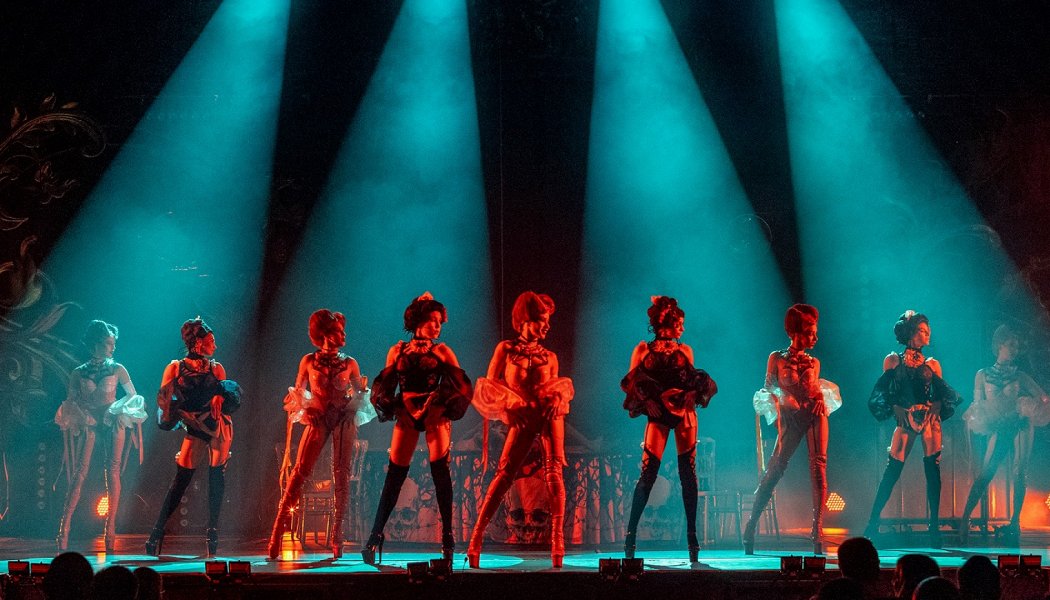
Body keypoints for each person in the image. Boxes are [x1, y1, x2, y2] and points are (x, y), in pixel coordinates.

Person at [361, 293, 472, 564]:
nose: (437, 326)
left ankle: (447, 537)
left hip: (434, 414)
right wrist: (395, 405)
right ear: (419, 321)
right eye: (433, 320)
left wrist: (441, 405)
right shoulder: (398, 350)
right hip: (408, 414)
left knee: (440, 474)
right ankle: (375, 536)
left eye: (440, 322)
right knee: (394, 476)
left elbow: (462, 386)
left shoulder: (442, 351)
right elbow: (385, 386)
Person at [468, 291, 574, 568]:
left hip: (548, 414)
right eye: (542, 320)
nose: (547, 326)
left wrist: (557, 398)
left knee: (554, 473)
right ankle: (476, 538)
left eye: (548, 320)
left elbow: (557, 386)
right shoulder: (505, 349)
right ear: (526, 320)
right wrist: (508, 409)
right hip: (523, 416)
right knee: (504, 474)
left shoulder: (550, 356)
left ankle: (558, 542)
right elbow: (489, 386)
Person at [268, 309, 374, 559]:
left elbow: (360, 393)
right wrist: (308, 408)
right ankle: (277, 531)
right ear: (326, 334)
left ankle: (337, 535)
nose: (344, 335)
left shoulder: (350, 363)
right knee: (300, 471)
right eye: (339, 331)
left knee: (342, 473)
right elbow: (298, 391)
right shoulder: (308, 361)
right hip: (318, 420)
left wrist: (358, 396)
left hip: (342, 420)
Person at [620, 296, 717, 562]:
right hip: (657, 415)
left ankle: (692, 537)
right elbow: (631, 383)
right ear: (667, 323)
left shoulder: (685, 350)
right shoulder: (642, 349)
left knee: (688, 474)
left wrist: (692, 395)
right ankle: (630, 535)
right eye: (680, 323)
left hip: (684, 413)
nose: (683, 328)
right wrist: (647, 401)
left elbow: (694, 381)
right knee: (648, 473)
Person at [745, 303, 839, 555]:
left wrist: (820, 397)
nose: (815, 338)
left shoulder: (814, 362)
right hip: (790, 417)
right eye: (809, 332)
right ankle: (751, 525)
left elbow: (815, 388)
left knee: (819, 466)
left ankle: (817, 530)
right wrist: (783, 396)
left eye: (815, 332)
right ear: (794, 332)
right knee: (776, 468)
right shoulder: (776, 358)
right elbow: (768, 386)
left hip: (814, 414)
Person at [145, 318, 241, 557]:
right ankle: (157, 531)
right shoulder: (175, 368)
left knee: (216, 474)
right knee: (181, 478)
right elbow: (165, 403)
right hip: (195, 426)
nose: (215, 346)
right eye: (211, 341)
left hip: (217, 425)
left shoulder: (216, 368)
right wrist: (176, 412)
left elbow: (228, 394)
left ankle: (212, 532)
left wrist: (219, 396)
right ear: (198, 343)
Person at [865, 311, 960, 548]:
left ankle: (934, 528)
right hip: (907, 419)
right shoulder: (893, 360)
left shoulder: (932, 364)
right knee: (893, 469)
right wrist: (894, 406)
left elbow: (941, 392)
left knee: (932, 470)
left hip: (928, 420)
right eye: (922, 330)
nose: (927, 334)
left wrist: (937, 404)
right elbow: (882, 391)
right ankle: (872, 524)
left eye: (928, 330)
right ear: (910, 332)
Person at [55, 320, 146, 553]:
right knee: (79, 472)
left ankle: (110, 528)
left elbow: (133, 397)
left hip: (111, 421)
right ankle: (64, 528)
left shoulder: (117, 368)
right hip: (90, 423)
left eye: (113, 343)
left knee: (112, 470)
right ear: (95, 344)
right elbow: (70, 402)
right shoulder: (78, 372)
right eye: (108, 343)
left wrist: (117, 412)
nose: (112, 347)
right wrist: (82, 415)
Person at [959, 324, 1049, 544]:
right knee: (987, 472)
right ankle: (964, 519)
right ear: (999, 345)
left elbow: (1043, 397)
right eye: (1011, 345)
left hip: (1019, 423)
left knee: (1019, 471)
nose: (1015, 349)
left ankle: (1015, 521)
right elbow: (978, 403)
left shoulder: (1019, 375)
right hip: (999, 426)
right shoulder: (982, 374)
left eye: (1017, 346)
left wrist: (1028, 407)